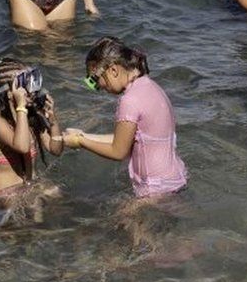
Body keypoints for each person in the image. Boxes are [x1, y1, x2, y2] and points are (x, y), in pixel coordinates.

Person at [62, 36, 187, 198]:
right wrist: (83, 135)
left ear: (113, 70)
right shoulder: (150, 86)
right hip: (176, 178)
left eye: (96, 80)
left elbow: (118, 151)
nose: (100, 87)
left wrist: (81, 142)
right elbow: (130, 140)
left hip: (155, 189)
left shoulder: (129, 100)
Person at [0, 58, 64, 209]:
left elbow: (56, 150)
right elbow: (22, 146)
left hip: (32, 185)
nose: (31, 90)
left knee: (58, 195)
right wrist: (21, 106)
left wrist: (53, 121)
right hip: (7, 193)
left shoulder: (32, 116)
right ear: (9, 93)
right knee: (34, 208)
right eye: (24, 84)